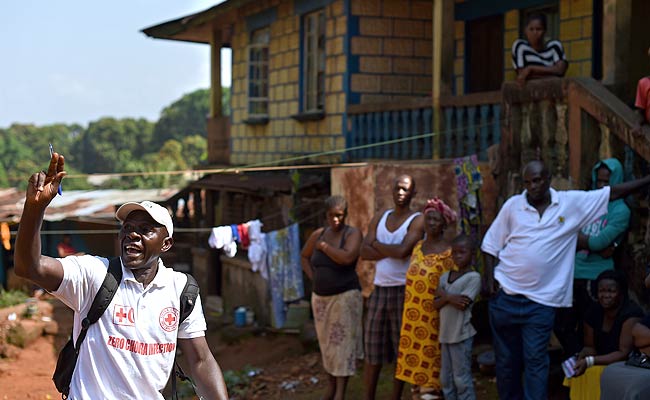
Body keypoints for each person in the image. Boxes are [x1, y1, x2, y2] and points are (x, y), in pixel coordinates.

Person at [13, 152, 228, 399]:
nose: (132, 235)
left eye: (145, 230)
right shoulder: (94, 275)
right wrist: (34, 208)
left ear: (166, 244)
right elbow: (29, 267)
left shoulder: (181, 290)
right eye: (127, 228)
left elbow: (200, 360)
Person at [481, 160, 650, 400]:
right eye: (527, 182)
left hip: (541, 303)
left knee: (535, 362)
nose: (532, 187)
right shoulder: (513, 206)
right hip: (505, 298)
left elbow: (612, 193)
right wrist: (489, 283)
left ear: (549, 178)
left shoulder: (569, 203)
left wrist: (646, 180)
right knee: (507, 364)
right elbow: (490, 246)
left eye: (537, 180)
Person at [555, 158, 631, 356]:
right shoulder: (589, 201)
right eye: (599, 181)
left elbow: (598, 242)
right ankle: (576, 365)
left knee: (591, 330)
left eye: (608, 181)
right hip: (571, 275)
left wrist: (576, 238)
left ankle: (587, 369)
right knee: (562, 325)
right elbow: (562, 230)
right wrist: (586, 240)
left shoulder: (620, 210)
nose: (603, 186)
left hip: (596, 278)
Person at [360, 174, 425, 400]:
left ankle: (395, 397)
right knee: (372, 349)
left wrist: (376, 245)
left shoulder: (417, 220)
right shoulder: (380, 217)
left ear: (413, 194)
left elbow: (403, 252)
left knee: (401, 350)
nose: (400, 193)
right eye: (397, 188)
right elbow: (363, 252)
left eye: (406, 189)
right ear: (391, 190)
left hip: (404, 290)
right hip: (380, 289)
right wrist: (389, 248)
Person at [394, 198, 458, 400]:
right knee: (415, 377)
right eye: (428, 218)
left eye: (436, 220)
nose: (431, 223)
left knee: (432, 376)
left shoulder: (449, 253)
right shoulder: (418, 247)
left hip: (434, 323)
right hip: (412, 324)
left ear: (444, 223)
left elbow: (454, 287)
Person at [301, 195, 364, 400]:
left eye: (339, 215)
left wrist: (325, 247)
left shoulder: (352, 234)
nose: (335, 220)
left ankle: (340, 393)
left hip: (345, 297)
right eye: (331, 216)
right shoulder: (318, 234)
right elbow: (304, 256)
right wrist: (314, 278)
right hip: (321, 299)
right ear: (325, 216)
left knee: (343, 346)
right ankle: (330, 386)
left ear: (345, 215)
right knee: (327, 346)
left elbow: (346, 258)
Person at [563, 270, 642, 399]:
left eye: (611, 291)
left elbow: (624, 353)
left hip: (626, 366)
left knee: (595, 372)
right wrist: (581, 356)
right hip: (598, 362)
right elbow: (590, 347)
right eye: (602, 291)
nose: (605, 295)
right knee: (579, 373)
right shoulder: (593, 311)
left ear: (621, 293)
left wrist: (589, 361)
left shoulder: (631, 314)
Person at [435, 234, 481, 400]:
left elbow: (463, 303)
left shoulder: (474, 278)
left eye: (462, 252)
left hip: (461, 334)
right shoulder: (444, 277)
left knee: (461, 379)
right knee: (446, 379)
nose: (458, 256)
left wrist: (445, 296)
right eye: (454, 253)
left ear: (472, 254)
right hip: (445, 335)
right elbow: (435, 303)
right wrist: (450, 298)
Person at [512, 13, 568, 85]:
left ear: (545, 31)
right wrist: (552, 72)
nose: (535, 33)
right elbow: (522, 75)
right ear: (525, 31)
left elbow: (560, 70)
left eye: (539, 29)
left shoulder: (554, 46)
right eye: (531, 29)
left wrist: (531, 68)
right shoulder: (520, 46)